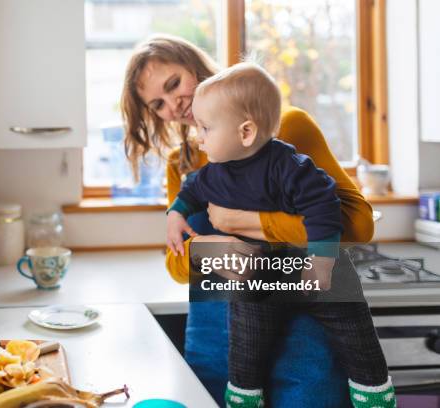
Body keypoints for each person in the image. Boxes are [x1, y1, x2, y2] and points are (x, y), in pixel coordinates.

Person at [121, 34, 375, 407]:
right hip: (216, 336)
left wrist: (247, 221)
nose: (173, 105)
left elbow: (358, 225)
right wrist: (206, 250)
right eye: (157, 104)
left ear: (196, 67)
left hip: (300, 328)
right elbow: (177, 264)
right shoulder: (184, 164)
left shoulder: (287, 127)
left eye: (174, 84)